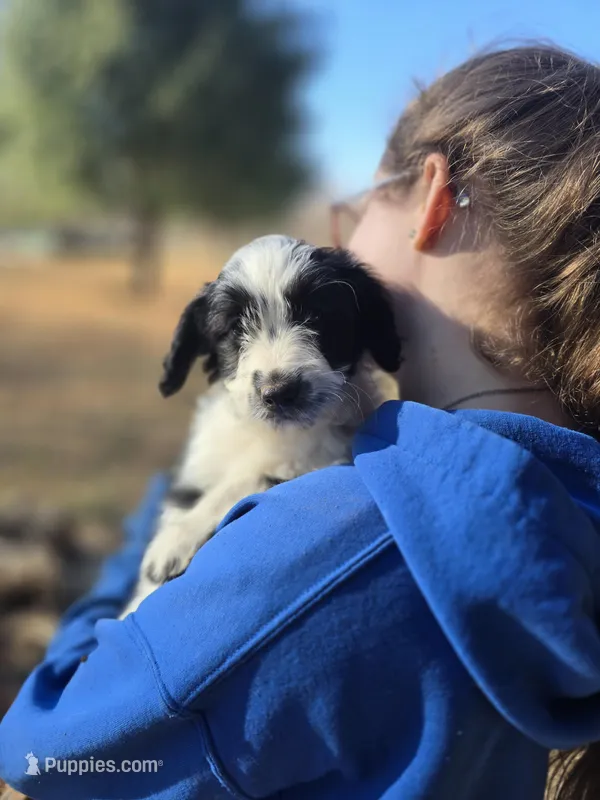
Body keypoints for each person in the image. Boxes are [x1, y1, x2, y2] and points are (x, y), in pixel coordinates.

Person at [1, 43, 600, 800]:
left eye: (356, 208)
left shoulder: (328, 557)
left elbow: (51, 757)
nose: (340, 232)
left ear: (432, 196)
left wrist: (144, 541)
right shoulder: (571, 500)